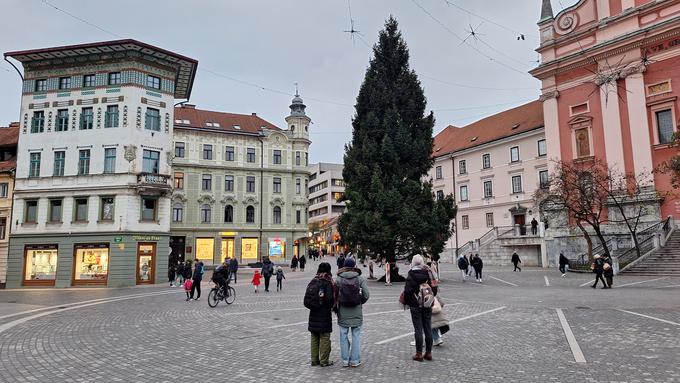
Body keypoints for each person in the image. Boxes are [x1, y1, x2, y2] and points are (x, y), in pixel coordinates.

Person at [336, 257, 369, 367]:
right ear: (354, 266)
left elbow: (335, 296)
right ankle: (355, 360)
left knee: (343, 336)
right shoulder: (359, 279)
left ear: (345, 266)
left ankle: (345, 360)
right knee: (356, 336)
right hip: (356, 311)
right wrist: (360, 302)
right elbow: (366, 295)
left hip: (343, 312)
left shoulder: (339, 279)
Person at [305, 262, 336, 367]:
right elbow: (329, 299)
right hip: (324, 314)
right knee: (324, 337)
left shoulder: (314, 280)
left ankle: (314, 360)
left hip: (313, 313)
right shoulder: (327, 282)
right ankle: (324, 361)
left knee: (314, 336)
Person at [404, 255, 434, 362]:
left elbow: (407, 291)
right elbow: (434, 287)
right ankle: (429, 353)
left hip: (415, 305)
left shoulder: (411, 274)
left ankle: (419, 354)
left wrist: (408, 302)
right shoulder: (427, 272)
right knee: (428, 327)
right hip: (427, 304)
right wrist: (430, 298)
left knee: (418, 329)